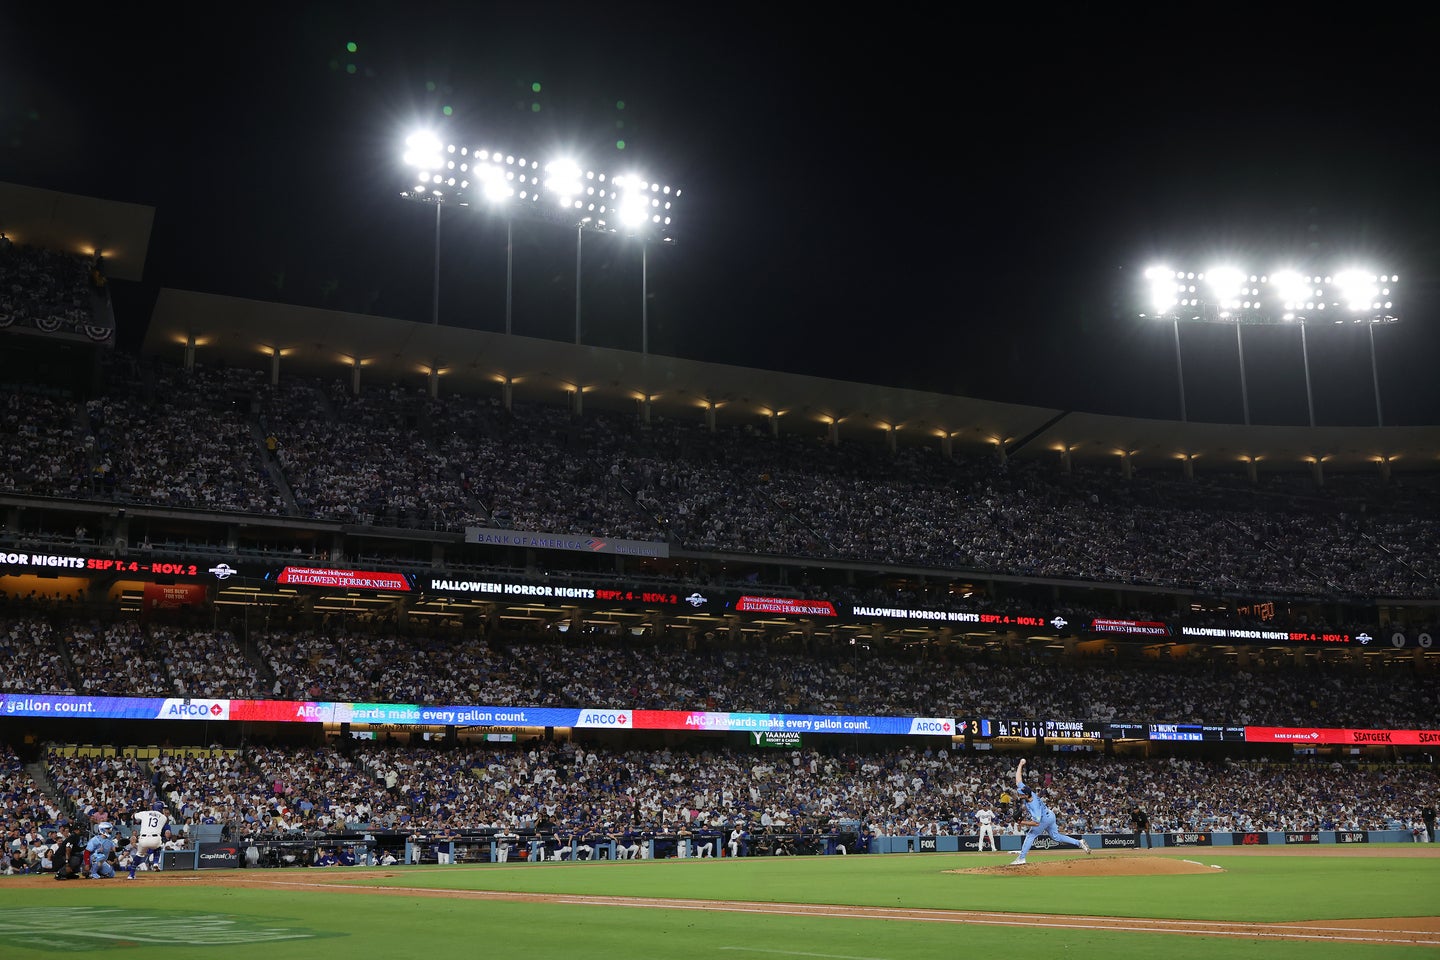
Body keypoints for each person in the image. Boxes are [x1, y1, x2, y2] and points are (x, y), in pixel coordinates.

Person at [1009, 759, 1090, 866]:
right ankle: (1079, 842)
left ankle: (1021, 858)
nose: (1018, 794)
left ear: (1025, 795)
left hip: (1043, 819)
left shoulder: (1034, 806)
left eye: (1020, 793)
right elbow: (1018, 780)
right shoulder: (1028, 791)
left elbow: (1036, 823)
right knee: (1056, 837)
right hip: (1050, 815)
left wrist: (1021, 822)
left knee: (1031, 835)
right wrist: (1020, 765)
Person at [130, 806, 170, 877]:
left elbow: (133, 816)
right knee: (158, 847)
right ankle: (155, 863)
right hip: (155, 839)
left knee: (139, 854)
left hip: (143, 839)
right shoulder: (164, 817)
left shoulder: (145, 813)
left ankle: (131, 874)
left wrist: (134, 816)